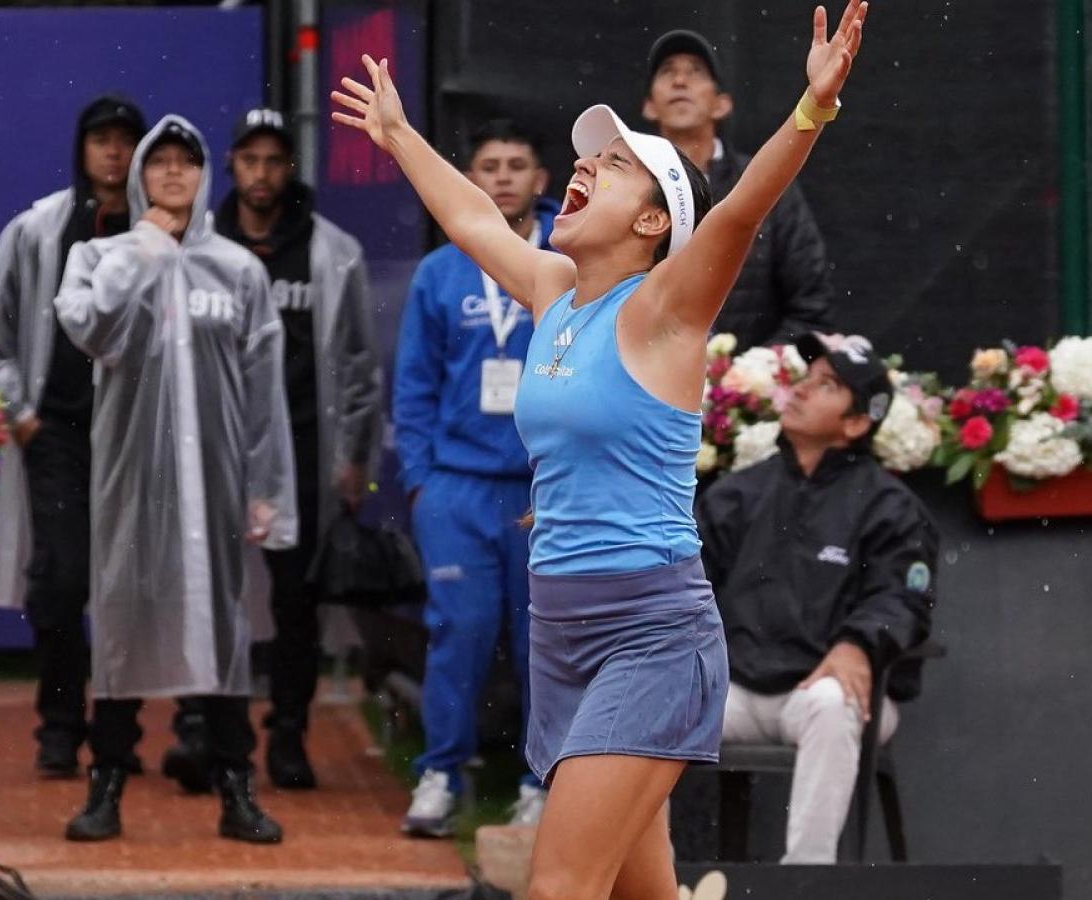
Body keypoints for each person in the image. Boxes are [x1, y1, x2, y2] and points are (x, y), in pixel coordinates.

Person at [331, 2, 868, 896]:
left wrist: (811, 108)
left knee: (558, 887)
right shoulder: (553, 290)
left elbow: (740, 212)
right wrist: (399, 136)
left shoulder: (666, 310)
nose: (584, 166)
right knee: (637, 892)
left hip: (650, 634)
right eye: (588, 157)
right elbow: (473, 219)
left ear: (655, 223)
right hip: (562, 632)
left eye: (613, 164)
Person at [54, 116, 298, 844]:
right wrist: (143, 250)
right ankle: (107, 785)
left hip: (215, 482)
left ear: (203, 174)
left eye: (185, 162)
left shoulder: (237, 269)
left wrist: (267, 488)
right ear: (138, 174)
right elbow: (93, 330)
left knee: (222, 631)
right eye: (157, 161)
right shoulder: (99, 257)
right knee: (123, 625)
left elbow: (263, 389)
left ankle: (236, 789)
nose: (171, 173)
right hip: (132, 480)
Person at [161, 107, 383, 793]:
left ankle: (288, 734)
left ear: (290, 167)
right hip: (213, 443)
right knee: (205, 589)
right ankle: (199, 730)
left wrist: (355, 458)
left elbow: (358, 364)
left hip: (303, 448)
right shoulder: (196, 245)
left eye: (273, 160)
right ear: (231, 165)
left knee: (296, 601)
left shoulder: (332, 250)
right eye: (249, 159)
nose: (261, 173)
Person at [695, 332, 937, 864]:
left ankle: (805, 884)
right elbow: (686, 590)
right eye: (806, 377)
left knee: (832, 702)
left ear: (857, 423)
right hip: (735, 690)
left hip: (828, 692)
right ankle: (648, 884)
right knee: (650, 701)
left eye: (826, 385)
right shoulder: (737, 493)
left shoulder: (892, 507)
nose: (802, 389)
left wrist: (859, 644)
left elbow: (904, 599)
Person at [393, 118, 559, 836]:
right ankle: (440, 773)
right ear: (469, 178)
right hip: (457, 487)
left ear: (540, 180)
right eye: (488, 166)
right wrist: (422, 483)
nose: (502, 177)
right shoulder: (441, 271)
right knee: (457, 631)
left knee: (542, 640)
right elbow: (414, 386)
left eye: (516, 164)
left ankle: (540, 783)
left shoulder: (569, 260)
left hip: (542, 486)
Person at [0, 95, 148, 778]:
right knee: (58, 580)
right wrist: (21, 414)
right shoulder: (37, 229)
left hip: (135, 437)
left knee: (130, 586)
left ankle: (119, 735)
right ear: (82, 148)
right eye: (101, 139)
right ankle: (58, 726)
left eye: (125, 140)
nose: (113, 152)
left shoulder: (160, 234)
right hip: (55, 433)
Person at [642, 29, 835, 351]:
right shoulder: (625, 187)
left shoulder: (769, 183)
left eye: (695, 72)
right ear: (649, 106)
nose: (680, 81)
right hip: (644, 375)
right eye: (667, 72)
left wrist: (748, 371)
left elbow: (811, 306)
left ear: (722, 105)